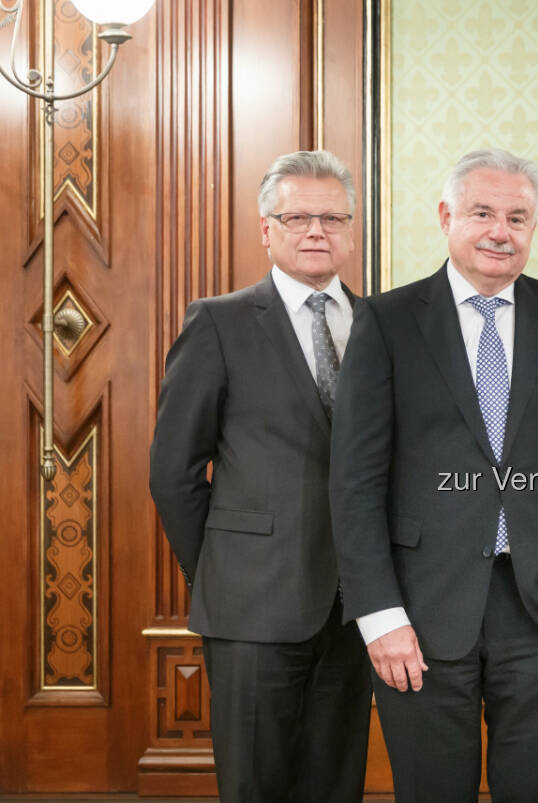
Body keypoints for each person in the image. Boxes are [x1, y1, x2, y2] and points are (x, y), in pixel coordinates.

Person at [328, 148, 538, 802]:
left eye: (518, 217)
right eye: (483, 212)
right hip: (420, 608)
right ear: (446, 217)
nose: (501, 230)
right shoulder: (385, 321)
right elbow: (354, 482)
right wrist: (379, 614)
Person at [148, 150, 370, 802]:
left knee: (336, 783)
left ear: (351, 230)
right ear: (266, 228)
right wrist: (222, 566)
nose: (316, 231)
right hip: (251, 603)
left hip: (355, 606)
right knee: (256, 784)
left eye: (332, 217)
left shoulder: (380, 325)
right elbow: (173, 472)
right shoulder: (218, 321)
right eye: (297, 215)